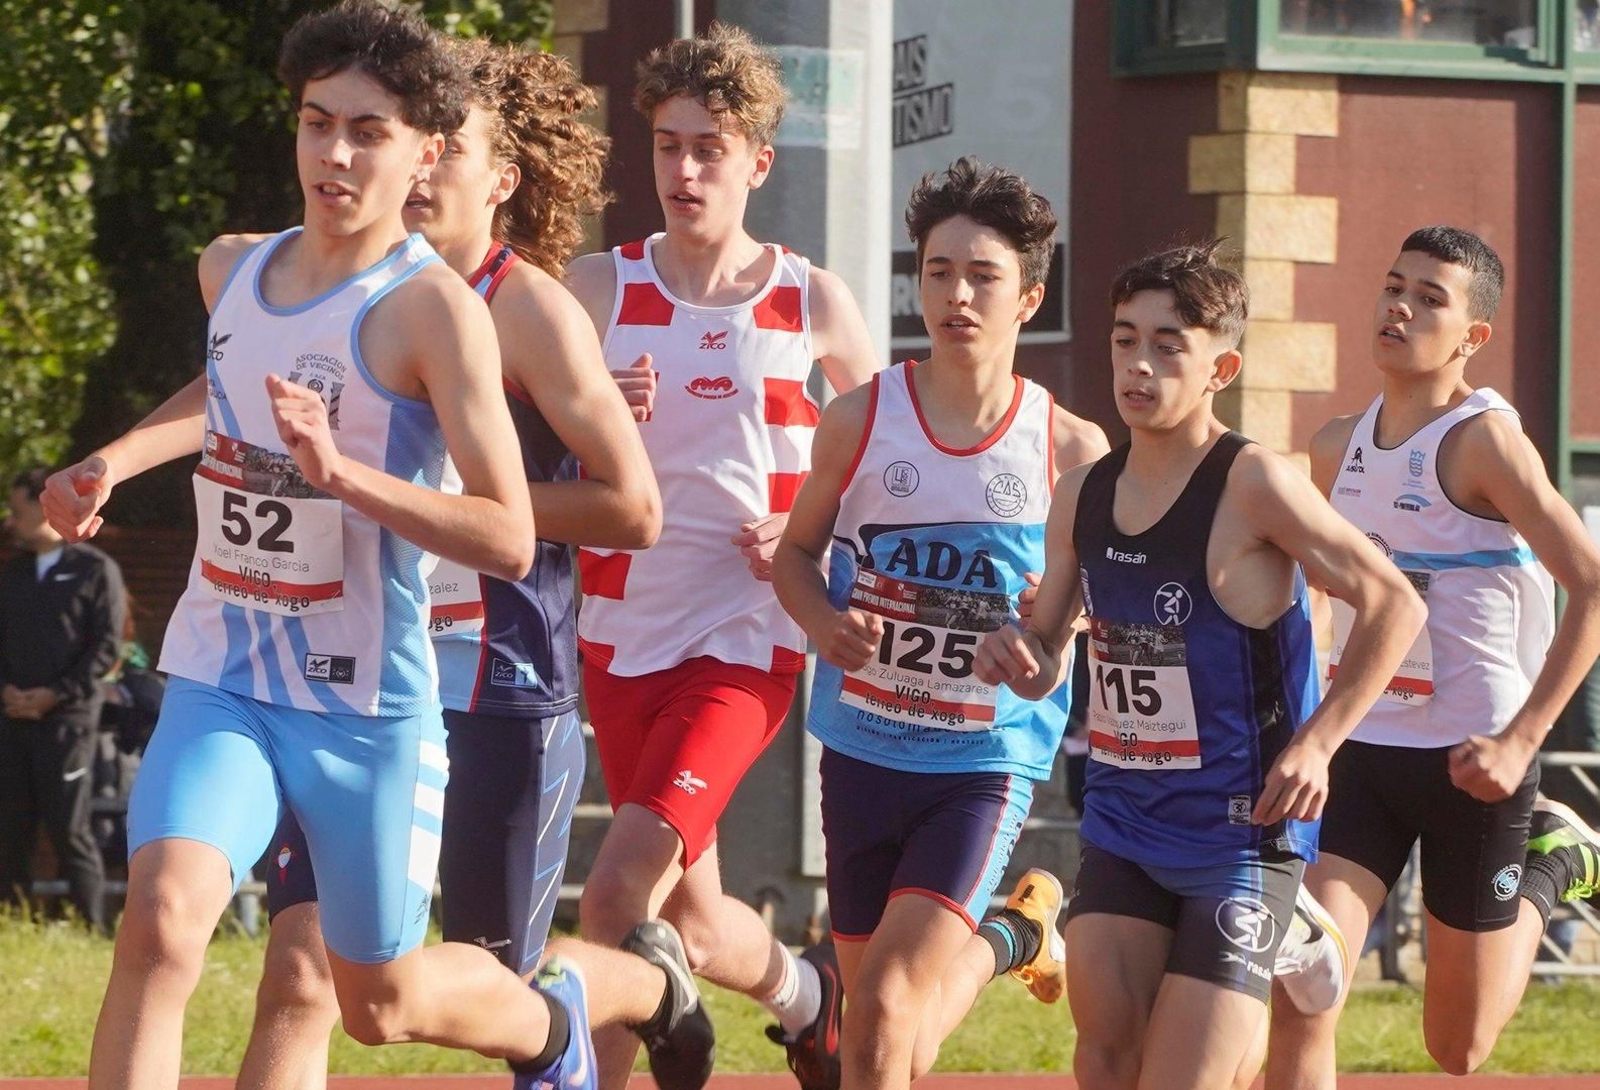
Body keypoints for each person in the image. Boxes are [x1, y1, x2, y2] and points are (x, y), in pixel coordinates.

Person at [43, 5, 609, 1085]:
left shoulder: (434, 313)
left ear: (424, 153)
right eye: (316, 124)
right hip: (226, 672)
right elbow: (219, 395)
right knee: (161, 923)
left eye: (367, 131)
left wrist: (344, 477)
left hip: (366, 709)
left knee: (375, 1005)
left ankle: (552, 1024)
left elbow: (507, 531)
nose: (334, 155)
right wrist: (114, 460)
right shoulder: (233, 270)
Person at [236, 37, 713, 1090]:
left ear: (499, 177)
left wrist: (447, 506)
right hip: (355, 681)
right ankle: (600, 998)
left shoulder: (527, 308)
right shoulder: (342, 291)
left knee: (498, 991)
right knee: (304, 971)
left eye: (448, 146)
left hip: (498, 688)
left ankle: (630, 990)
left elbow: (633, 508)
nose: (420, 166)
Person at [974, 240, 1428, 1089]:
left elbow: (1396, 602)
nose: (1138, 366)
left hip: (1240, 835)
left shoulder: (1254, 482)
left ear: (1221, 366)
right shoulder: (1083, 494)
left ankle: (1299, 921)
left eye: (1167, 345)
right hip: (1125, 821)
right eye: (1124, 339)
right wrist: (1018, 656)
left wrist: (1320, 744)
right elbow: (1045, 654)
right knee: (1106, 1061)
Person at [563, 22, 880, 1089]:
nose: (684, 170)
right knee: (688, 917)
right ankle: (806, 998)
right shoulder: (596, 290)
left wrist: (808, 535)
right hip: (616, 631)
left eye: (709, 148)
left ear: (757, 161)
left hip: (743, 640)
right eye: (667, 145)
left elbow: (893, 467)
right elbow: (511, 445)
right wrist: (590, 417)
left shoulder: (809, 300)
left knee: (610, 900)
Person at [770, 157, 1108, 1090]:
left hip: (980, 763)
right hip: (862, 747)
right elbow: (794, 558)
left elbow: (1070, 637)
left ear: (1029, 297)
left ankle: (1009, 929)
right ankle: (1016, 934)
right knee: (888, 1037)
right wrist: (823, 625)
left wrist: (1033, 658)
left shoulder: (1071, 451)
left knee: (881, 1008)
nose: (956, 294)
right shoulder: (860, 419)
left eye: (983, 275)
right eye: (938, 271)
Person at [1266, 226, 1600, 1085]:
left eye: (1429, 297)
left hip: (1471, 759)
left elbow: (1592, 587)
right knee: (1304, 979)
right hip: (1362, 748)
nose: (1400, 306)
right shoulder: (1337, 447)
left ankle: (1558, 858)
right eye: (1392, 285)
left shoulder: (1484, 442)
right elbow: (1298, 591)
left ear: (1471, 337)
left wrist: (1523, 741)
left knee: (1457, 1047)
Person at [0, 467, 126, 931]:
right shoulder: (14, 574)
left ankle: (93, 929)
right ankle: (12, 925)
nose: (11, 521)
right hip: (13, 719)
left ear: (44, 507)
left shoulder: (94, 570)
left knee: (69, 828)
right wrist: (9, 693)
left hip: (68, 722)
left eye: (17, 510)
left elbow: (106, 649)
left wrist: (54, 695)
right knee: (10, 830)